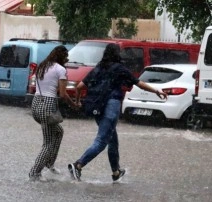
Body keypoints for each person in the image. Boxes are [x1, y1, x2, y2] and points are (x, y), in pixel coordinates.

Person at [68, 43, 168, 182]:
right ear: (117, 54)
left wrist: (78, 102)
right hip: (111, 106)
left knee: (112, 140)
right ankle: (78, 165)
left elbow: (79, 87)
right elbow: (138, 83)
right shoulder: (120, 69)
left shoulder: (98, 68)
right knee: (102, 141)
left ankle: (116, 172)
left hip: (98, 107)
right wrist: (156, 91)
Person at [29, 45, 78, 181]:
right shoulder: (61, 69)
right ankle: (34, 173)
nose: (67, 59)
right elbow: (62, 94)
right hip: (48, 105)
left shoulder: (42, 66)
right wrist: (74, 105)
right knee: (48, 143)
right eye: (66, 56)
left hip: (36, 104)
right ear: (61, 56)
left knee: (58, 132)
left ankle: (50, 164)